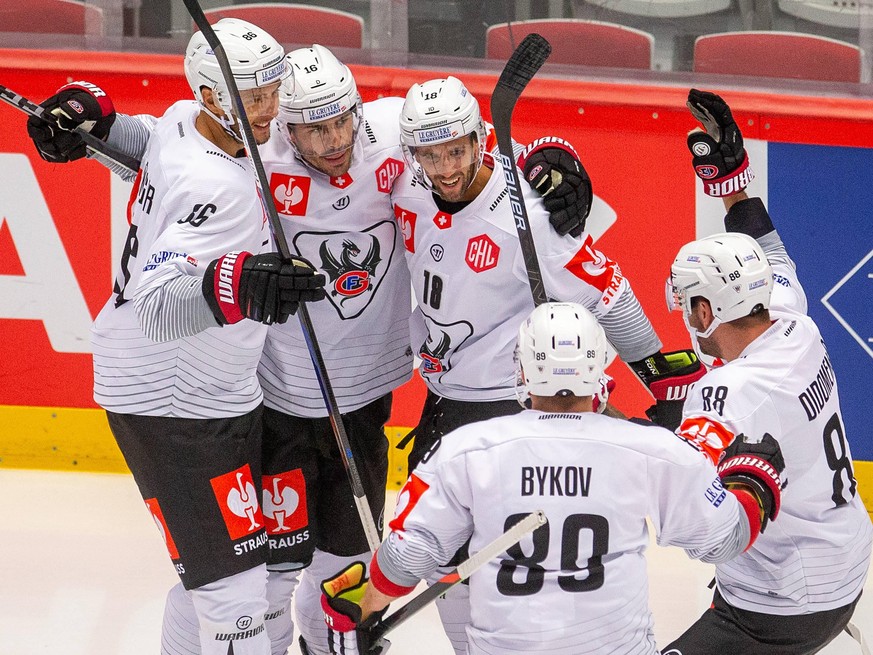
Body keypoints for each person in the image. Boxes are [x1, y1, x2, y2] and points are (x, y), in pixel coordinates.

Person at [27, 43, 594, 655]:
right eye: (310, 128)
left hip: (367, 403)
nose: (330, 140)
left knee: (345, 571)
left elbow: (468, 141)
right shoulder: (257, 144)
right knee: (257, 584)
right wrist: (98, 125)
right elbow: (165, 147)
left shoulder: (391, 132)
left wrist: (549, 157)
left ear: (358, 107)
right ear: (285, 125)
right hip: (278, 404)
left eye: (339, 121)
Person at [26, 19, 326, 655]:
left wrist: (98, 122)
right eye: (253, 98)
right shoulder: (219, 188)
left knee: (216, 582)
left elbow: (152, 140)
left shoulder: (184, 120)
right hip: (174, 400)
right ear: (215, 97)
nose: (270, 109)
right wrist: (240, 281)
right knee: (235, 599)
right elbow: (156, 308)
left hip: (214, 392)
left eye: (274, 89)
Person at [381, 74, 707, 654]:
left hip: (506, 409)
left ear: (479, 138)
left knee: (501, 562)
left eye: (456, 150)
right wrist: (544, 147)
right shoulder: (407, 184)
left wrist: (672, 383)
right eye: (430, 155)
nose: (446, 168)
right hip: (445, 402)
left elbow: (611, 294)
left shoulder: (530, 219)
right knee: (448, 562)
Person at [319, 301, 786, 655]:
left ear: (522, 370)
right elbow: (723, 539)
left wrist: (358, 609)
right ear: (601, 370)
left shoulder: (467, 449)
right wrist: (752, 483)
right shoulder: (652, 449)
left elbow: (407, 557)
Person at [661, 88, 872, 654]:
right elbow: (769, 251)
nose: (686, 317)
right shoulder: (792, 320)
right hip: (846, 561)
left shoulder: (725, 394)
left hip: (784, 605)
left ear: (706, 310)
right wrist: (733, 184)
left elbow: (700, 531)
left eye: (687, 305)